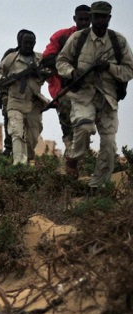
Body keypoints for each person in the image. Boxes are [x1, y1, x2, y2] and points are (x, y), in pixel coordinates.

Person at [56, 1, 133, 188]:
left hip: (108, 99)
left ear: (109, 18)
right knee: (84, 127)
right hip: (83, 96)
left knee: (109, 145)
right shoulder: (78, 39)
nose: (100, 20)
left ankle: (97, 186)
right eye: (96, 16)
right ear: (91, 18)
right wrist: (72, 73)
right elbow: (61, 62)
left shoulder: (118, 42)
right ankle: (73, 159)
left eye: (103, 17)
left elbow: (129, 70)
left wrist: (109, 67)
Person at [41, 5, 92, 157]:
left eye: (87, 19)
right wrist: (69, 66)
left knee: (86, 125)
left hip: (89, 89)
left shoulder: (98, 39)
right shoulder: (62, 36)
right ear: (75, 19)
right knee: (67, 122)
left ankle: (83, 155)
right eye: (81, 19)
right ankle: (70, 153)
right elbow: (47, 59)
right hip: (64, 88)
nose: (84, 22)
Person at [0, 31, 51, 165]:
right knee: (17, 133)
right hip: (15, 102)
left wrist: (40, 73)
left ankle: (28, 159)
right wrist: (2, 80)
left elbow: (49, 72)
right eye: (25, 42)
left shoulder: (40, 58)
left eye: (31, 43)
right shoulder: (11, 58)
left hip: (34, 103)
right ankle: (19, 165)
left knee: (32, 136)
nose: (28, 45)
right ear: (20, 43)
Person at [0, 29, 30, 156]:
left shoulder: (31, 57)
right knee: (8, 118)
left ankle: (21, 147)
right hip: (7, 92)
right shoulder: (11, 54)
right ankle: (9, 146)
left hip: (24, 94)